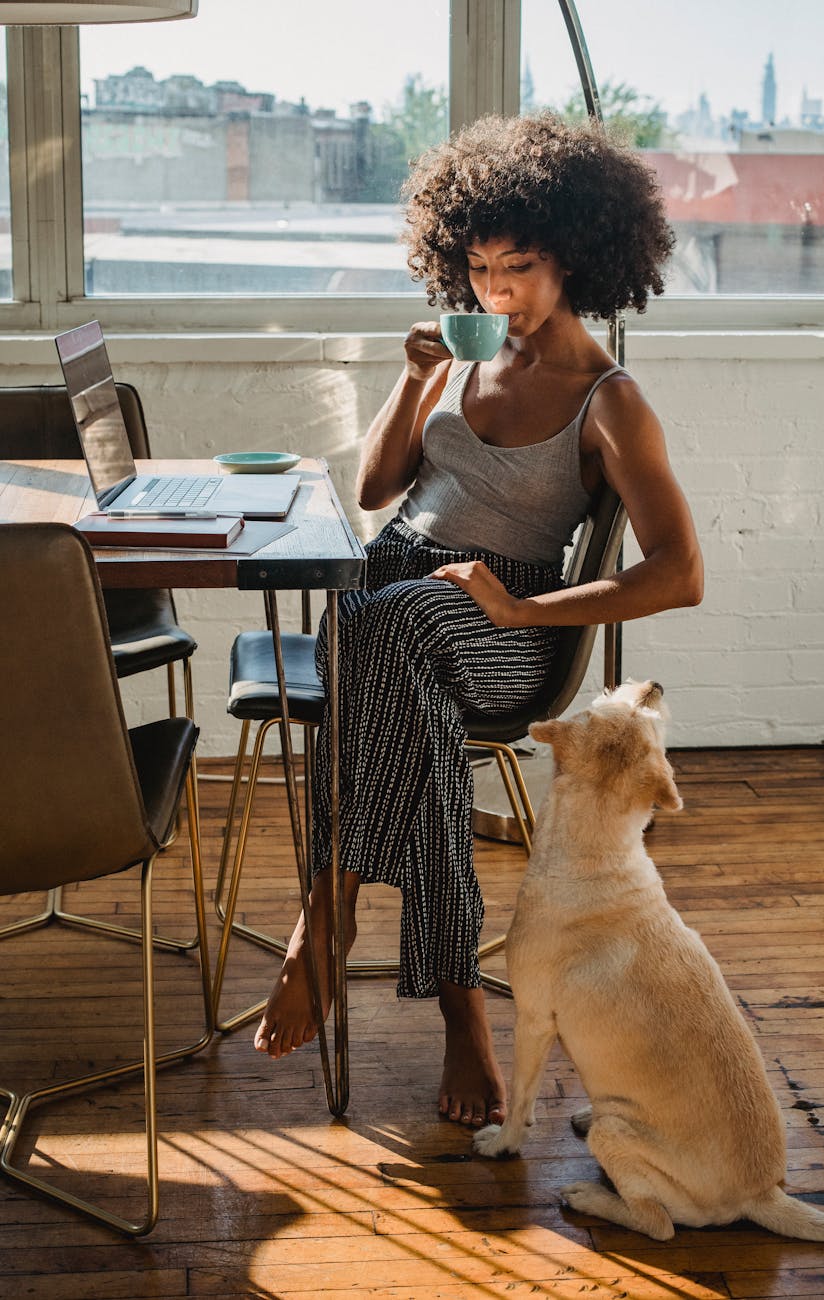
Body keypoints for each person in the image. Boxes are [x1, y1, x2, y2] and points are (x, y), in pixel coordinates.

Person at [254, 112, 704, 1128]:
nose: (497, 291)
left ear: (578, 257)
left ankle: (328, 914)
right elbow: (374, 491)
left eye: (522, 267)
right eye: (481, 268)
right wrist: (414, 384)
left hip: (504, 621)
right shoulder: (459, 356)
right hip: (395, 593)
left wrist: (519, 603)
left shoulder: (610, 399)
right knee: (385, 633)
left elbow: (680, 573)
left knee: (391, 633)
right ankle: (455, 1004)